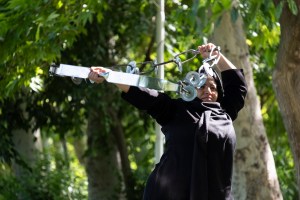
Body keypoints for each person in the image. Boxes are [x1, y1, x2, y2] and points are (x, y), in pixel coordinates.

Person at [88, 43, 247, 200]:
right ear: (190, 89)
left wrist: (216, 56)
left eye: (213, 88)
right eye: (201, 86)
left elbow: (237, 84)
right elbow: (145, 96)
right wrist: (110, 75)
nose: (208, 91)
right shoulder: (176, 110)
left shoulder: (224, 112)